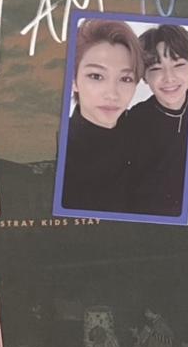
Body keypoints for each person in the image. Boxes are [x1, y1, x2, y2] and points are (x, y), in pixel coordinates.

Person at [60, 18, 143, 212]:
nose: (112, 94)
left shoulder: (146, 135)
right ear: (73, 80)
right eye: (96, 76)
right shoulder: (60, 149)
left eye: (125, 78)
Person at [126, 24, 188, 216]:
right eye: (156, 68)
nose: (169, 78)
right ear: (144, 76)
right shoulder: (132, 123)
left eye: (178, 65)